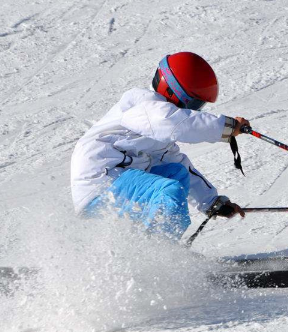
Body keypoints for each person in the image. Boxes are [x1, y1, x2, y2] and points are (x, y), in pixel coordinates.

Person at [70, 51, 249, 240]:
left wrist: (211, 201)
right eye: (194, 103)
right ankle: (159, 253)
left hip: (120, 179)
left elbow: (179, 162)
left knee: (177, 173)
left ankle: (154, 251)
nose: (193, 110)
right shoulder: (143, 105)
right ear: (171, 90)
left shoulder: (156, 127)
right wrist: (227, 127)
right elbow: (174, 122)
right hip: (101, 180)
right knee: (169, 190)